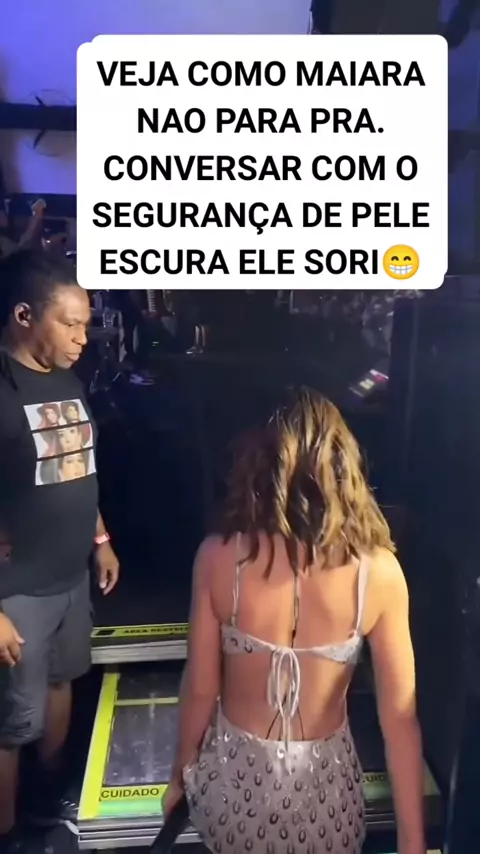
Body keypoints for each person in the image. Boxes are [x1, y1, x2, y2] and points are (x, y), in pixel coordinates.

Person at [163, 388, 425, 854]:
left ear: (257, 465)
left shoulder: (219, 559)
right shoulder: (379, 573)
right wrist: (413, 842)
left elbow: (201, 688)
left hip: (234, 799)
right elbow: (400, 719)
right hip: (327, 807)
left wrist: (179, 777)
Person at [0, 250, 120, 853]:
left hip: (71, 577)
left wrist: (100, 539)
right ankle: (8, 833)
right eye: (70, 324)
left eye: (85, 324)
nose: (82, 338)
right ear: (24, 316)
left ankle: (47, 807)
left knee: (62, 684)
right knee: (11, 725)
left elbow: (76, 466)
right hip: (16, 590)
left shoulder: (68, 380)